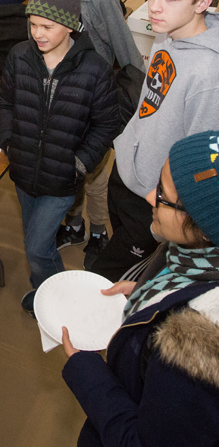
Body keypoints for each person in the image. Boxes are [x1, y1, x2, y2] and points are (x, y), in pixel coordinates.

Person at [61, 131, 219, 447]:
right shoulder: (188, 251)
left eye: (162, 195)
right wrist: (150, 293)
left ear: (201, 223)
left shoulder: (195, 346)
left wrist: (87, 371)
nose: (149, 197)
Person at [90, 0, 219, 282]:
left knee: (108, 283)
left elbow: (200, 166)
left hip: (152, 200)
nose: (154, 8)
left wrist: (161, 200)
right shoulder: (170, 33)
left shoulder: (209, 75)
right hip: (128, 173)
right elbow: (151, 103)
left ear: (203, 2)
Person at [0, 0, 119, 316]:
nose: (38, 33)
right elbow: (6, 101)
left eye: (47, 26)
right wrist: (7, 140)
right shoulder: (19, 56)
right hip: (23, 172)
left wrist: (80, 163)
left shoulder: (95, 70)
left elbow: (108, 123)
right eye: (33, 24)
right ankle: (49, 291)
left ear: (69, 25)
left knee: (35, 247)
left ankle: (57, 301)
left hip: (63, 179)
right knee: (39, 241)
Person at [33, 0, 144, 267]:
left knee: (95, 175)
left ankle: (99, 231)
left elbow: (130, 60)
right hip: (57, 103)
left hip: (95, 104)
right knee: (68, 173)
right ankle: (75, 225)